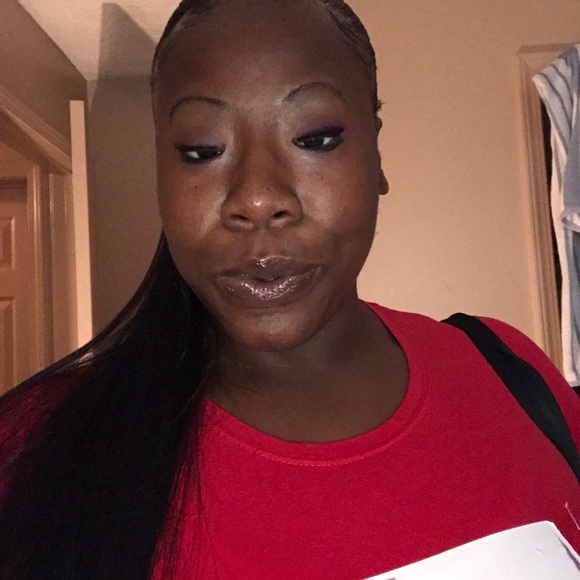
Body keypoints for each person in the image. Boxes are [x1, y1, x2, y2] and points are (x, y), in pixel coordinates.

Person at [0, 0, 578, 578]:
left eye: (315, 138)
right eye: (201, 151)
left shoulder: (507, 366)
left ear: (376, 154)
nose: (256, 199)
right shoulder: (34, 447)